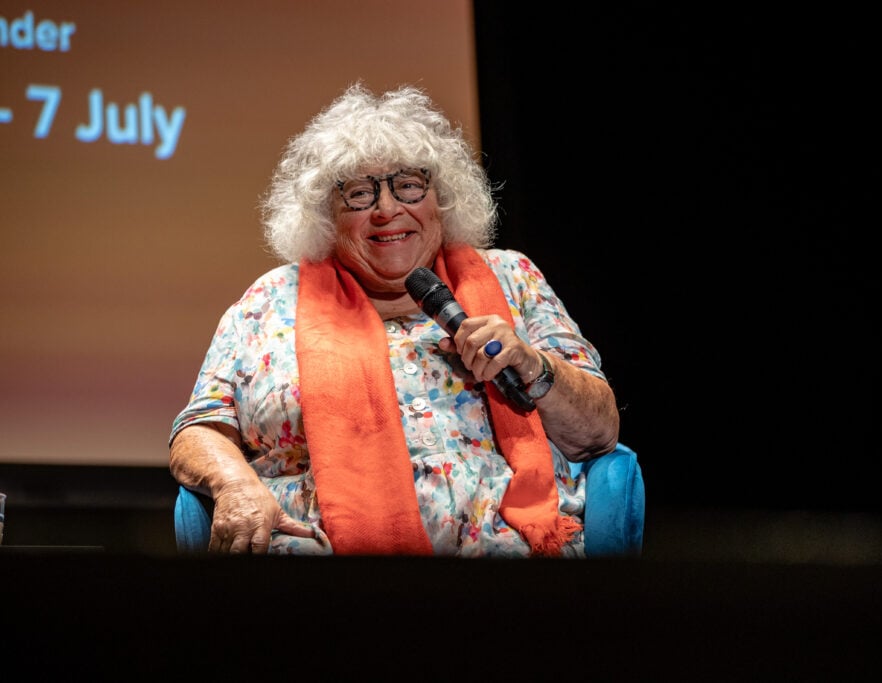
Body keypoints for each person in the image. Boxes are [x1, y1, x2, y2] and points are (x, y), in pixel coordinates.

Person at [168, 82, 620, 557]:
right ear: (326, 216)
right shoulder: (269, 300)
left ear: (441, 197)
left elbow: (599, 430)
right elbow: (198, 429)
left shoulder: (512, 277)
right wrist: (236, 485)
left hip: (504, 560)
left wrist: (533, 367)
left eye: (408, 186)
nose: (387, 210)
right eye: (360, 194)